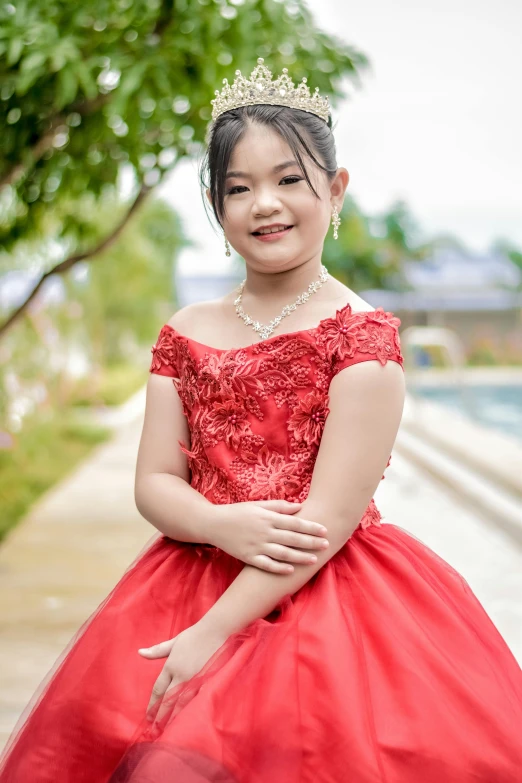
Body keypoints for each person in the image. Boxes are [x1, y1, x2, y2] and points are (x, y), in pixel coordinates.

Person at [1, 58, 521, 783]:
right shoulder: (185, 331)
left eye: (288, 180)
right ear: (215, 206)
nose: (263, 205)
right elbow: (154, 481)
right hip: (184, 575)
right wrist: (217, 523)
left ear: (334, 190)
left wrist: (210, 634)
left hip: (327, 600)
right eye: (237, 188)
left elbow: (324, 525)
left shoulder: (362, 340)